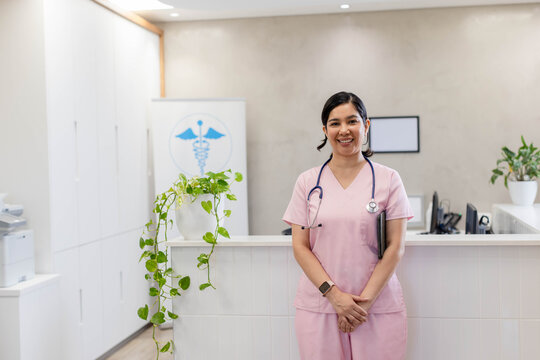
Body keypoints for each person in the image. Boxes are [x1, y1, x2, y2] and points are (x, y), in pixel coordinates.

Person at [282, 91, 413, 360]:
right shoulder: (307, 183)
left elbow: (395, 247)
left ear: (365, 125)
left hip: (375, 306)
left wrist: (360, 305)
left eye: (352, 121)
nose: (344, 130)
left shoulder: (389, 179)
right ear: (325, 130)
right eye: (335, 123)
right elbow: (300, 247)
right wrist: (335, 296)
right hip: (321, 305)